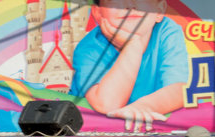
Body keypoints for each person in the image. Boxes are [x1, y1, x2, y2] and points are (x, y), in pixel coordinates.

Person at [69, 0, 187, 130]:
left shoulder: (167, 30)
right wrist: (132, 46)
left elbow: (179, 89)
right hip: (93, 131)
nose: (130, 5)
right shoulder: (90, 47)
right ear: (98, 12)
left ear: (159, 10)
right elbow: (108, 105)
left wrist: (144, 106)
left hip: (143, 131)